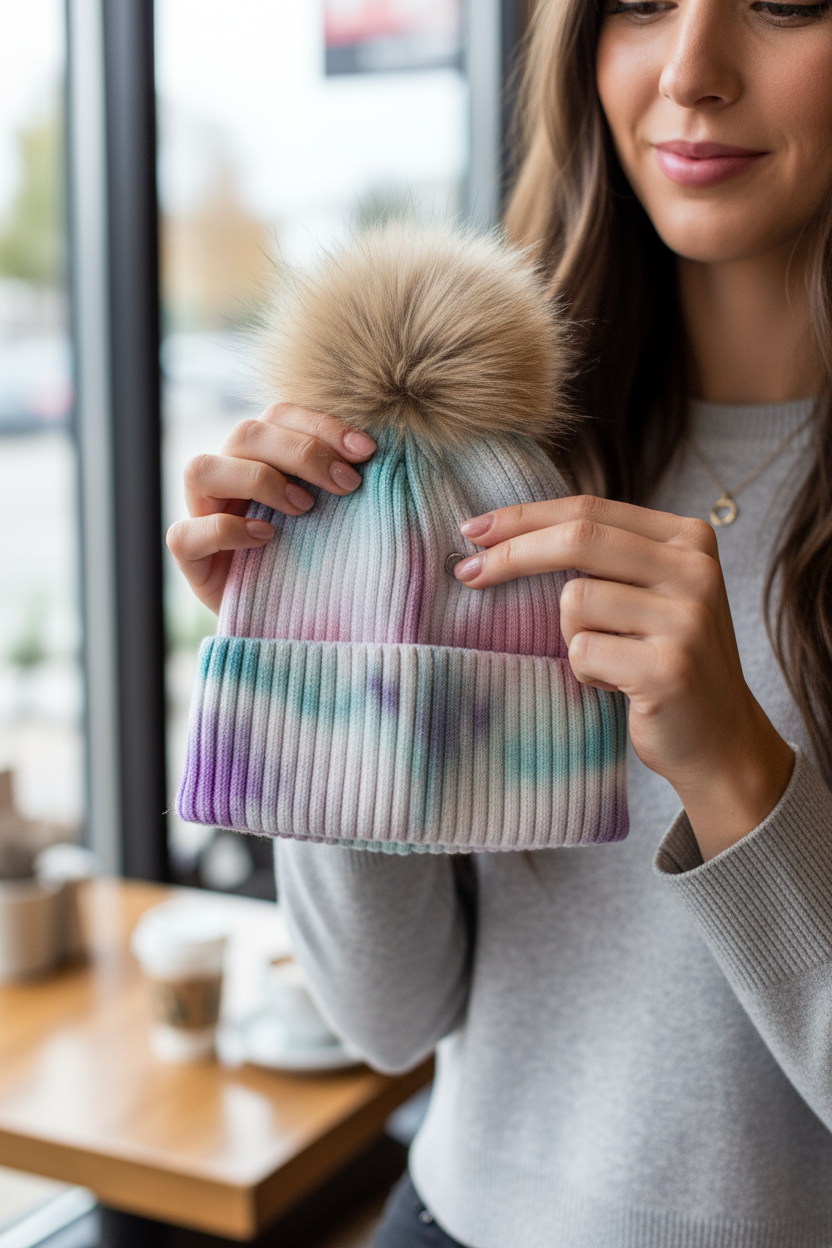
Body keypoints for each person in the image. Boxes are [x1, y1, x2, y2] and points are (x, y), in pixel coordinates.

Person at [166, 0, 832, 1241]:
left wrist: (735, 769)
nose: (691, 71)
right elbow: (388, 1015)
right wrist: (317, 666)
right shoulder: (487, 467)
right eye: (638, 4)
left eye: (784, 1)